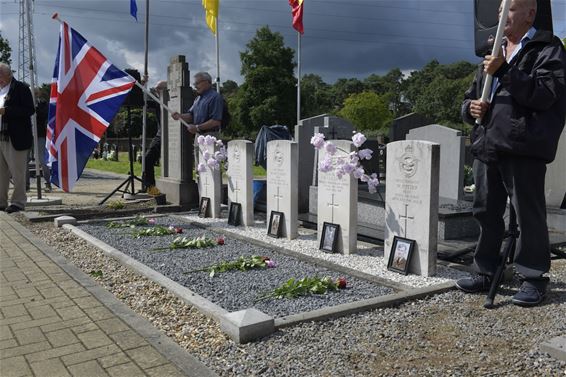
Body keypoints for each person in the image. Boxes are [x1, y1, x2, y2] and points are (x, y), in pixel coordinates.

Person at [456, 0, 566, 306]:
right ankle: (486, 270)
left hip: (523, 145)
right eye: (501, 7)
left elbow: (545, 95)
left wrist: (505, 70)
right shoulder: (494, 51)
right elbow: (471, 96)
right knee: (485, 211)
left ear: (530, 13)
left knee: (528, 214)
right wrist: (470, 108)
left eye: (512, 8)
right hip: (488, 143)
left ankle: (533, 277)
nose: (501, 14)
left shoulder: (547, 49)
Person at [0, 62, 35, 213]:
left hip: (16, 137)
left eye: (0, 75)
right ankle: (1, 202)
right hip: (0, 136)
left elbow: (29, 110)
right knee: (0, 173)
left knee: (17, 171)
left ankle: (18, 202)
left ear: (9, 74)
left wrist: (6, 111)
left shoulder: (21, 88)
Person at [171, 71, 223, 136]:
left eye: (197, 83)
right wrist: (180, 116)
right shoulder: (197, 99)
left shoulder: (215, 97)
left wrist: (197, 127)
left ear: (206, 82)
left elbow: (216, 121)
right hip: (198, 135)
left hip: (211, 136)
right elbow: (191, 116)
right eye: (194, 84)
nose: (195, 86)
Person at [141, 80, 167, 196]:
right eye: (155, 88)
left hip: (172, 136)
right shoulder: (157, 102)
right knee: (147, 159)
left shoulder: (175, 101)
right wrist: (142, 85)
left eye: (159, 88)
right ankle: (150, 187)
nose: (156, 91)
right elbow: (143, 101)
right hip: (160, 135)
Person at [34, 89, 52, 192]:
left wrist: (36, 107)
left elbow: (44, 115)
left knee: (42, 159)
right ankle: (26, 184)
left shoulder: (44, 104)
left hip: (40, 135)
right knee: (25, 160)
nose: (35, 96)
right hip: (26, 135)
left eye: (36, 93)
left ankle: (47, 183)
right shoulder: (24, 102)